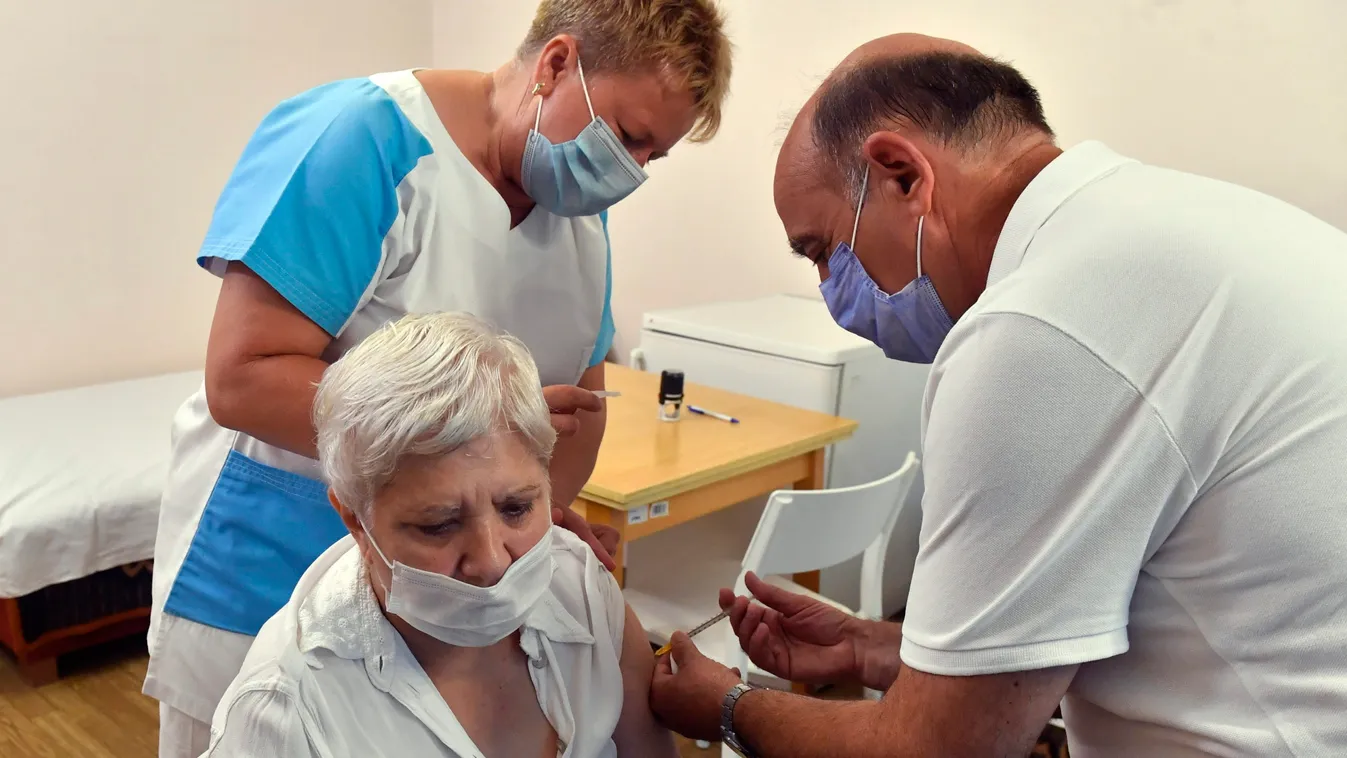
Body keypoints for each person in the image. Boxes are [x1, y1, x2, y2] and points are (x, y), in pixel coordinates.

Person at [648, 33, 1347, 757]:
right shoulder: (1174, 224)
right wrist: (873, 648)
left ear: (901, 175)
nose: (829, 291)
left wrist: (726, 707)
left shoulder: (1038, 329)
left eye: (824, 250)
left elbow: (934, 750)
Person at [144, 2, 732, 755]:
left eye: (653, 156)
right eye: (625, 137)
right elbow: (243, 377)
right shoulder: (367, 139)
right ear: (555, 65)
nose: (630, 172)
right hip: (275, 563)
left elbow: (580, 403)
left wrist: (533, 519)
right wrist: (482, 442)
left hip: (459, 605)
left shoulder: (578, 214)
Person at [200, 312, 678, 757]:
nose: (492, 562)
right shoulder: (289, 710)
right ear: (354, 520)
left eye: (516, 508)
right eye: (439, 525)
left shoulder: (583, 591)